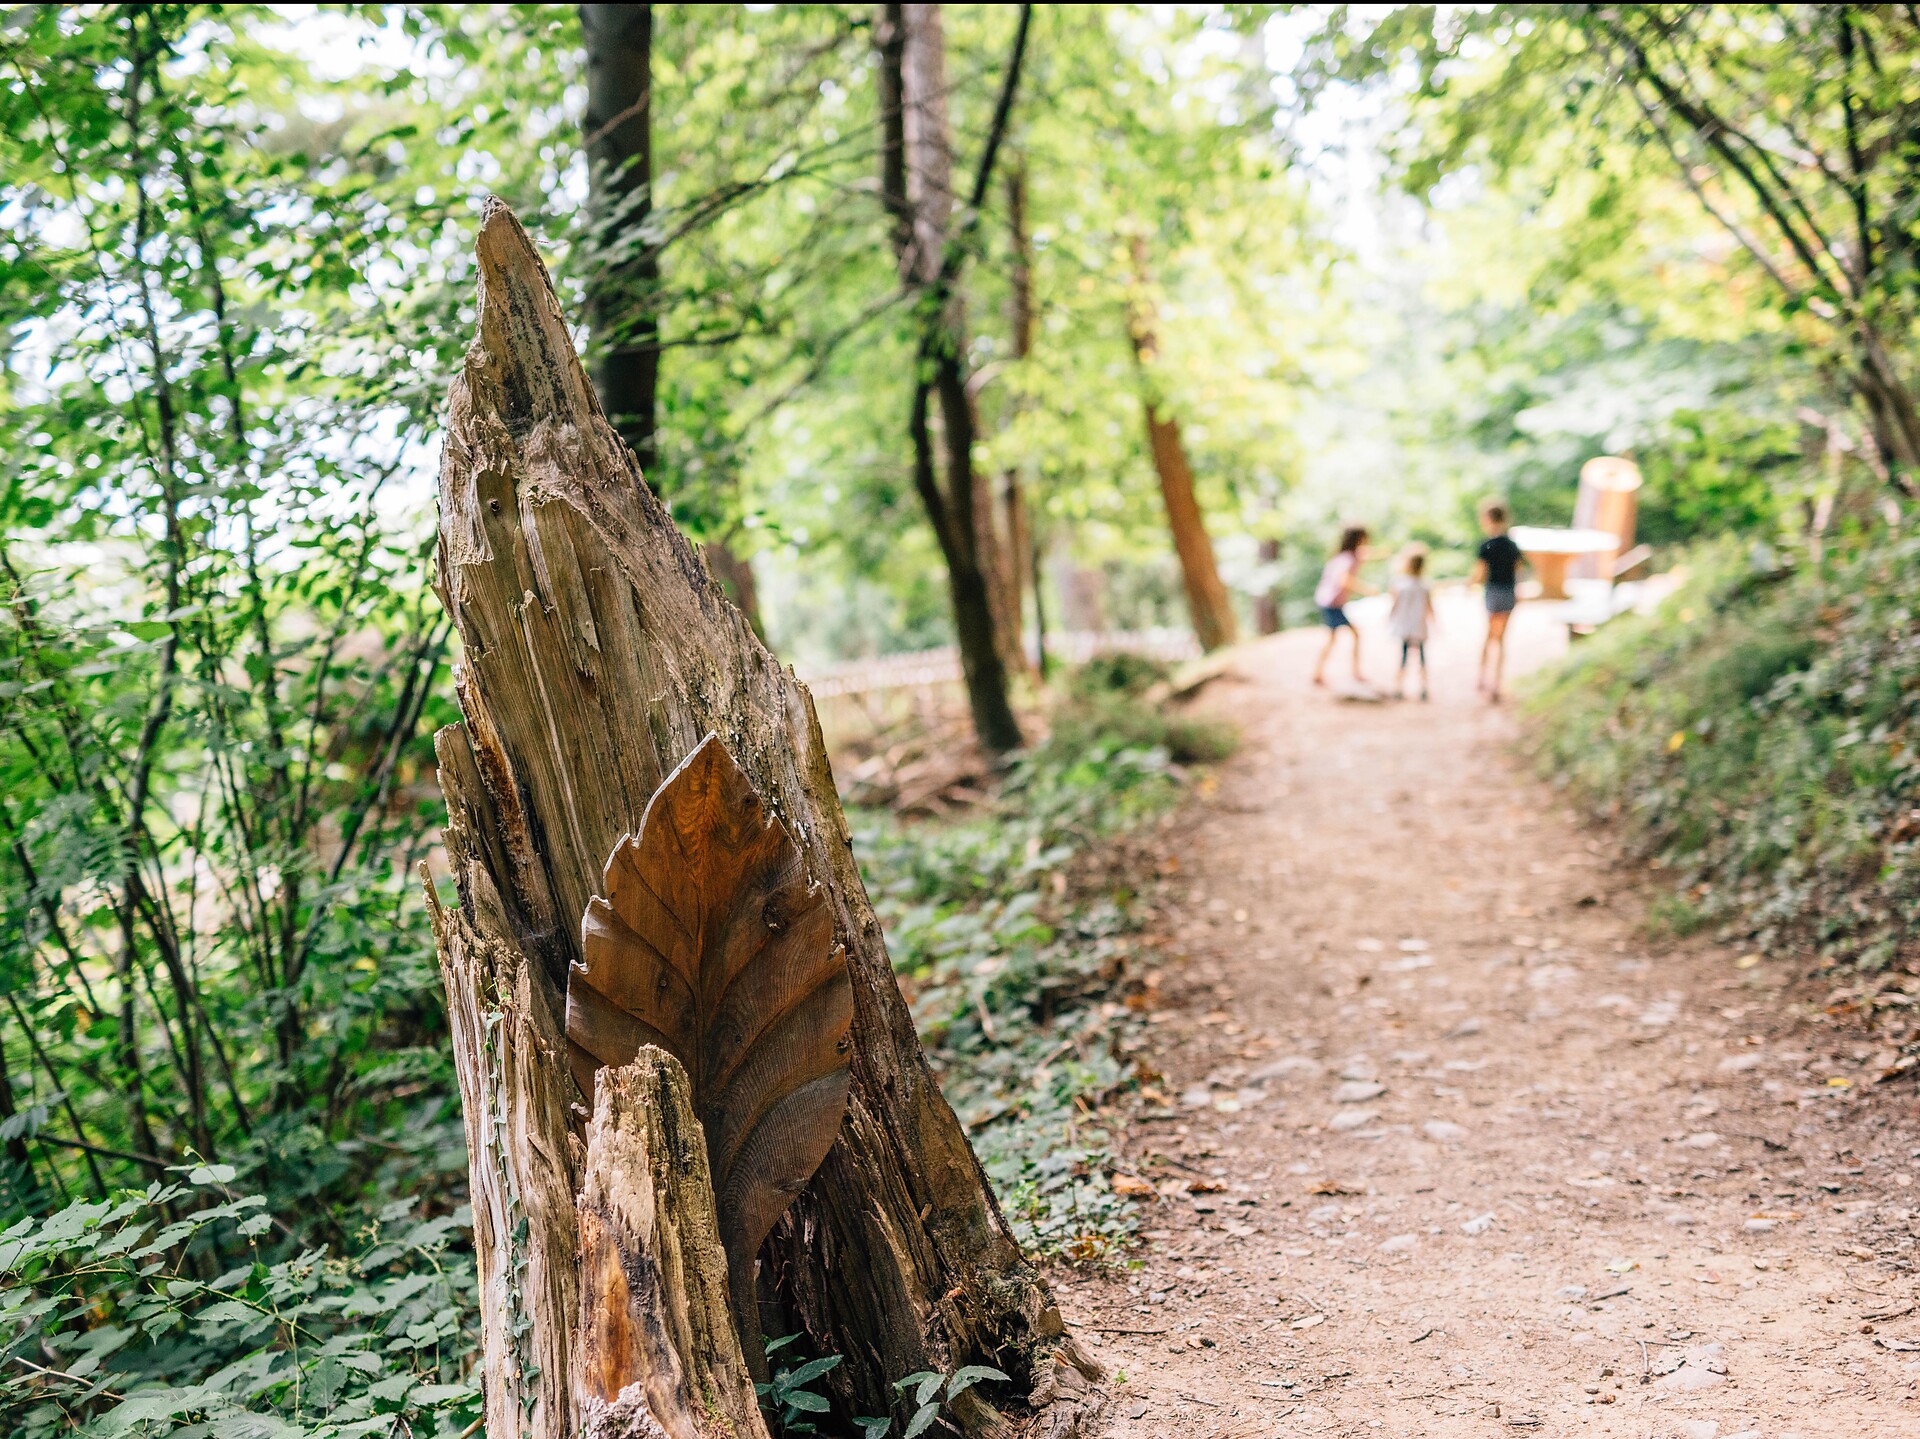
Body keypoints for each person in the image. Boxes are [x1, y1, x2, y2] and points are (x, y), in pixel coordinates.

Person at [1471, 500, 1526, 702]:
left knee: (1489, 635)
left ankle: (1482, 676)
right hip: (1509, 593)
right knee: (1501, 638)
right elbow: (1520, 570)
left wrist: (1468, 584)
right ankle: (1497, 681)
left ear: (1487, 519)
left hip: (1493, 592)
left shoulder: (1486, 546)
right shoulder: (1512, 545)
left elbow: (1480, 573)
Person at [1312, 524, 1371, 688]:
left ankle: (1319, 673)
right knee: (1340, 637)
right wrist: (1367, 590)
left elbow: (1367, 554)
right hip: (1332, 603)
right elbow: (1344, 580)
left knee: (1337, 637)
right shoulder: (1349, 559)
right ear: (1359, 539)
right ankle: (1353, 672)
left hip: (1327, 601)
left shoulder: (1342, 556)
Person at [1387, 545, 1435, 700]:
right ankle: (1423, 687)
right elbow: (1430, 607)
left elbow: (1394, 605)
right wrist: (1435, 623)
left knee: (1403, 657)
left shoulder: (1399, 583)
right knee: (1421, 658)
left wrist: (1389, 619)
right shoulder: (1424, 585)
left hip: (1405, 627)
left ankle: (1398, 687)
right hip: (1419, 627)